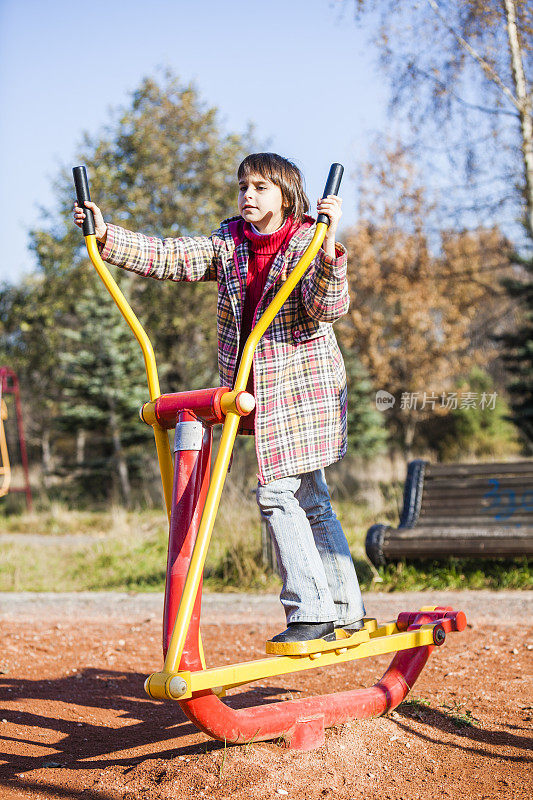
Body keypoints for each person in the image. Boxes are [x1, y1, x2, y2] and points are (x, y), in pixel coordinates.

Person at [73, 152, 366, 646]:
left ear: (287, 195)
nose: (247, 195)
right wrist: (107, 235)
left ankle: (312, 611)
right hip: (256, 393)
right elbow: (172, 256)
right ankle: (345, 607)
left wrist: (330, 244)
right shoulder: (228, 245)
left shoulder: (307, 240)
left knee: (276, 495)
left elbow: (326, 307)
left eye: (260, 187)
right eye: (242, 187)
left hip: (302, 390)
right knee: (311, 500)